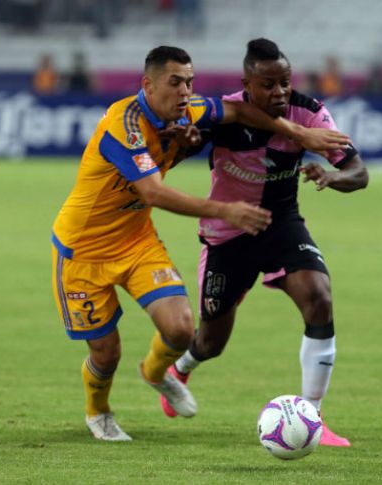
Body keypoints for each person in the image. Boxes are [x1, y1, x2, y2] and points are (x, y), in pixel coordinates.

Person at [50, 45, 352, 442]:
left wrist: (298, 132)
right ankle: (99, 412)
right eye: (175, 82)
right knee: (107, 353)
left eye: (189, 82)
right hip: (83, 250)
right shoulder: (124, 126)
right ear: (148, 85)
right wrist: (226, 211)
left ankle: (156, 374)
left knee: (180, 329)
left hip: (136, 241)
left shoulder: (188, 111)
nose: (185, 92)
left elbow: (239, 111)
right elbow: (154, 193)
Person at [158, 38, 368, 447]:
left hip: (280, 225)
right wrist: (186, 142)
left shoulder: (310, 113)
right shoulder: (223, 113)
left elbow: (358, 172)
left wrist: (333, 177)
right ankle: (179, 369)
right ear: (247, 85)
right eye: (268, 85)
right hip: (227, 233)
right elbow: (183, 146)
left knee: (319, 297)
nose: (279, 92)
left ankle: (313, 417)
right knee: (211, 342)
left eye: (285, 82)